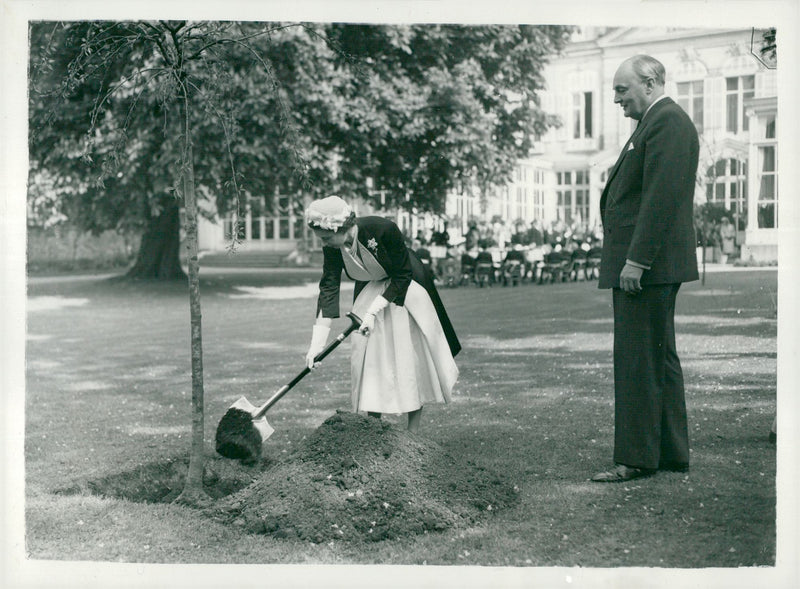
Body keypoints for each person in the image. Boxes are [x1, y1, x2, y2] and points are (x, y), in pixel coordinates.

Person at [591, 55, 699, 483]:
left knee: (638, 358)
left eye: (622, 89)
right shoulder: (655, 123)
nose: (616, 98)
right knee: (658, 357)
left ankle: (636, 458)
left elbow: (659, 198)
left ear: (650, 82)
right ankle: (670, 451)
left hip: (647, 268)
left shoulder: (666, 122)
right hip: (651, 266)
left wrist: (636, 260)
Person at [304, 196, 461, 433]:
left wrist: (373, 311)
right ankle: (373, 428)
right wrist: (316, 344)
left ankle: (413, 432)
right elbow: (328, 288)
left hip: (406, 289)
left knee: (410, 356)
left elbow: (402, 275)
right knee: (370, 357)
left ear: (339, 227)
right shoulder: (333, 248)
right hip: (370, 289)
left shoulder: (382, 228)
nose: (324, 243)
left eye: (326, 237)